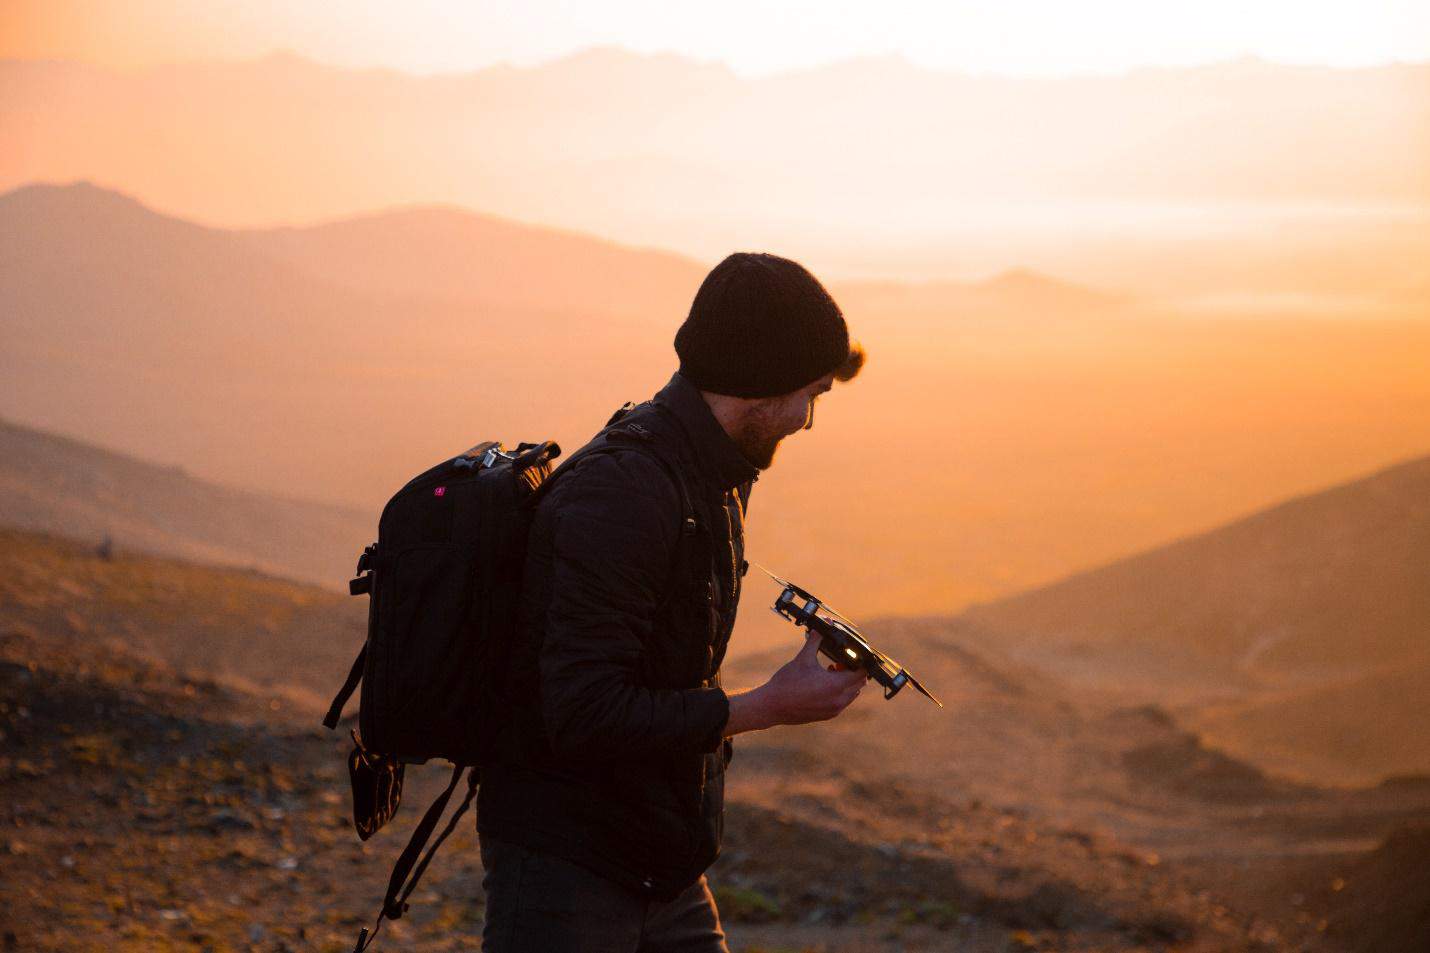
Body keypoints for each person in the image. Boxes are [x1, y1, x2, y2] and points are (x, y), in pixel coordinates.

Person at [476, 251, 867, 952]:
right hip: (566, 873)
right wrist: (765, 706)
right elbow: (583, 711)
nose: (807, 419)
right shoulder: (624, 490)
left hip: (661, 861)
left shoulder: (712, 473)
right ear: (760, 383)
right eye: (809, 392)